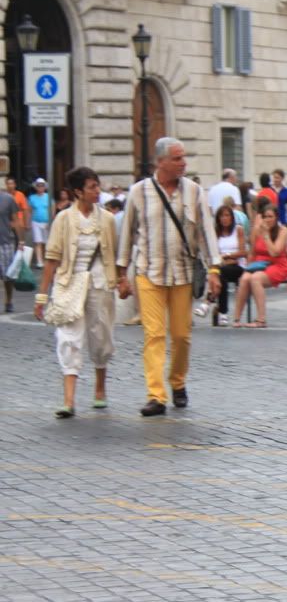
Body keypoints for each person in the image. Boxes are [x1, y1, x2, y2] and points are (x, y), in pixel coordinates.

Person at [116, 137, 222, 417]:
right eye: (177, 158)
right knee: (154, 334)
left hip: (183, 274)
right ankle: (156, 395)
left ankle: (178, 382)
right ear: (160, 162)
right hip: (148, 272)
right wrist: (121, 274)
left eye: (183, 157)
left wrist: (214, 270)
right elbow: (127, 233)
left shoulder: (195, 192)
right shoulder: (139, 192)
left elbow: (206, 234)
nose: (183, 163)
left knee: (181, 336)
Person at [33, 166, 119, 418]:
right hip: (69, 285)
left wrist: (122, 281)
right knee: (69, 337)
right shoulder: (63, 219)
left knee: (101, 335)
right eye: (92, 187)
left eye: (97, 186)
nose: (97, 191)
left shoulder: (107, 220)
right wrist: (41, 296)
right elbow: (51, 259)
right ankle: (68, 400)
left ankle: (100, 389)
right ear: (78, 191)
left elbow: (113, 255)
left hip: (100, 284)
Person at [232, 204, 287, 328]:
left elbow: (275, 252)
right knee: (245, 279)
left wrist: (266, 234)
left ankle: (261, 319)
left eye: (270, 216)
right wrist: (248, 267)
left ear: (276, 217)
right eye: (265, 217)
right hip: (259, 264)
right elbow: (252, 251)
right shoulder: (256, 230)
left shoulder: (283, 230)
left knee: (255, 278)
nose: (268, 220)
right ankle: (236, 318)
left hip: (277, 264)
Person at [198, 204, 247, 326]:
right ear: (218, 219)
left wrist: (227, 256)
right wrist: (224, 259)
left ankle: (207, 302)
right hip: (222, 267)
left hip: (238, 267)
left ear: (231, 217)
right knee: (221, 276)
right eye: (221, 216)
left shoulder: (238, 230)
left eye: (227, 215)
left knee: (219, 273)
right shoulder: (216, 233)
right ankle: (223, 314)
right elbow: (213, 252)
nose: (224, 218)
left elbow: (243, 252)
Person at [0, 187, 22, 313]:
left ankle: (8, 301)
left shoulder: (8, 199)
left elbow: (16, 220)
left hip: (6, 242)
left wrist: (21, 241)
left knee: (8, 276)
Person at [29, 178, 51, 268]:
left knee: (46, 242)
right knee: (38, 242)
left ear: (44, 187)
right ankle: (39, 261)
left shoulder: (48, 197)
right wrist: (28, 222)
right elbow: (29, 210)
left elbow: (51, 209)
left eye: (42, 185)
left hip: (46, 222)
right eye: (38, 185)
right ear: (36, 187)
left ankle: (47, 260)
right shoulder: (32, 197)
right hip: (35, 221)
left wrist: (50, 221)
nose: (40, 187)